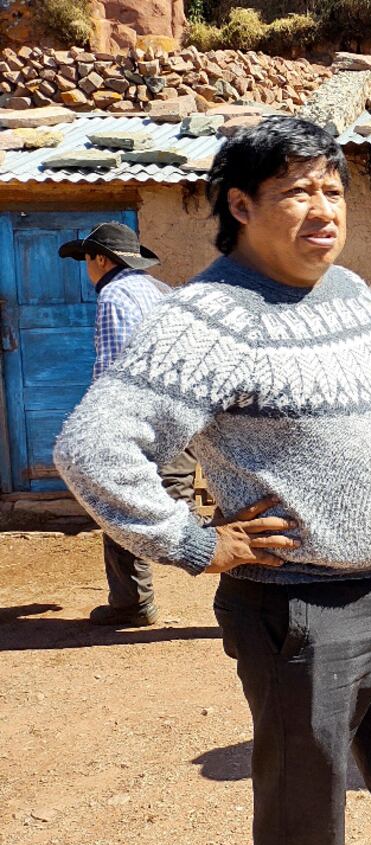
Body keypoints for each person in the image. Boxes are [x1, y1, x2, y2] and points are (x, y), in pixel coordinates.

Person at [54, 117, 371, 845]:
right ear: (241, 205)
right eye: (297, 191)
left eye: (333, 190)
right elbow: (92, 446)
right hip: (298, 607)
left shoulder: (351, 290)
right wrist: (191, 541)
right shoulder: (210, 318)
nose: (324, 209)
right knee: (303, 816)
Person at [57, 222, 197, 627]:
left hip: (142, 422)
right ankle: (131, 602)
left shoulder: (116, 295)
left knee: (123, 506)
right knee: (169, 508)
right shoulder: (161, 291)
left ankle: (133, 603)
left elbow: (115, 368)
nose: (87, 269)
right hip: (181, 419)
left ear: (101, 259)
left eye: (87, 259)